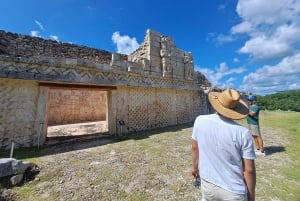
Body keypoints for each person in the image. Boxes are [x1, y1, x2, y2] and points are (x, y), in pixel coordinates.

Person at [192, 88, 256, 201]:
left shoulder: (200, 120)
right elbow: (249, 170)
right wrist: (251, 196)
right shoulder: (242, 132)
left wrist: (194, 168)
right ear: (236, 109)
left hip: (207, 183)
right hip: (233, 190)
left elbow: (195, 148)